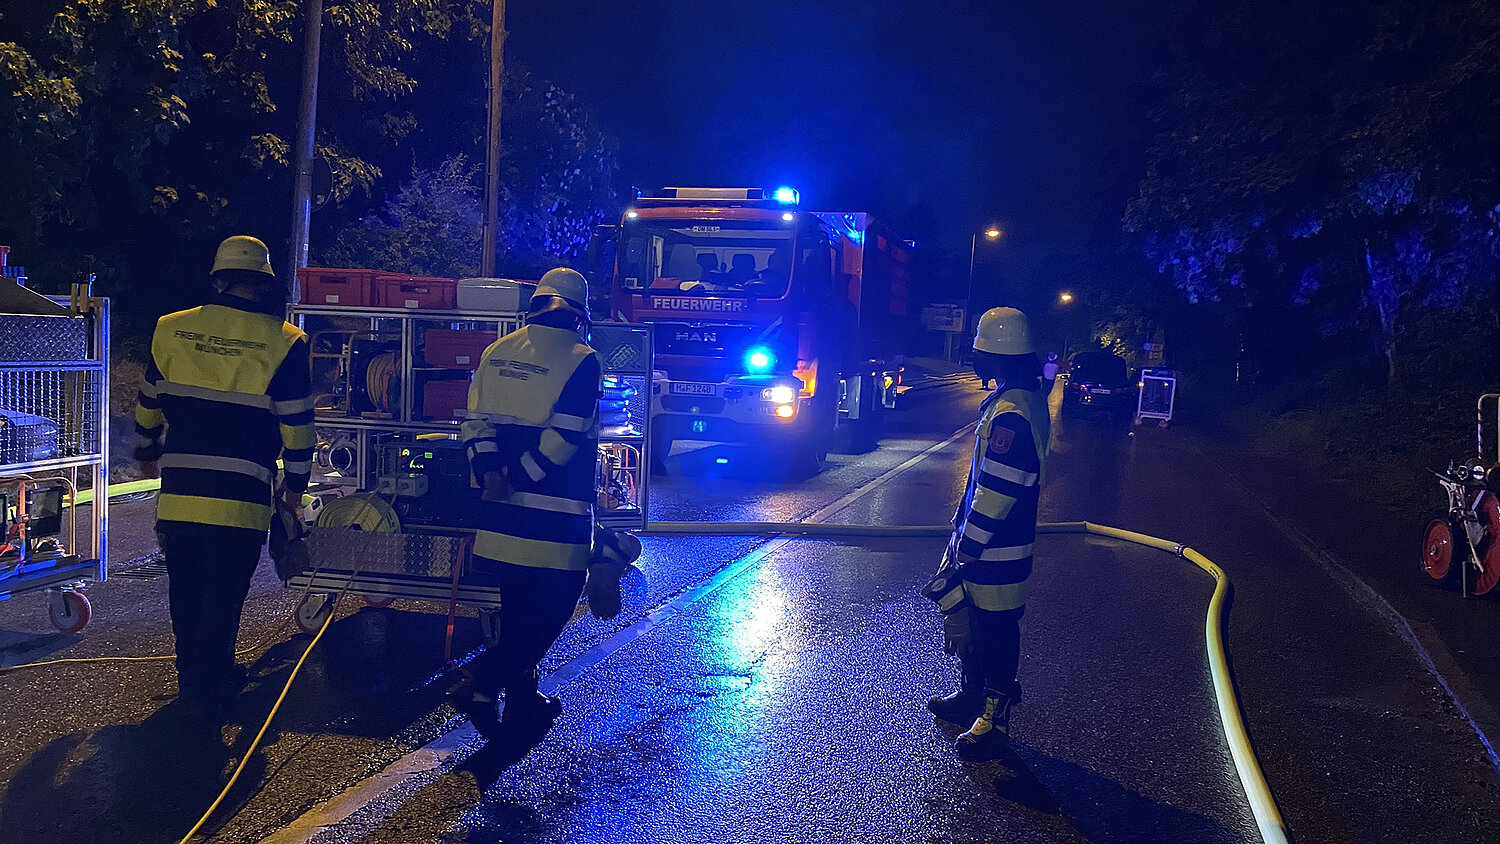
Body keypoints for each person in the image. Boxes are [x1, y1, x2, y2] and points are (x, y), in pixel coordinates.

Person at [133, 235, 314, 738]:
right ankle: (207, 695)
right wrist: (295, 486)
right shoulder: (286, 342)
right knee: (225, 594)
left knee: (186, 592)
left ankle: (194, 682)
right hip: (241, 502)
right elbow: (298, 426)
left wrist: (146, 452)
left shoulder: (170, 328)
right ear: (264, 284)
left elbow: (148, 402)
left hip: (181, 494)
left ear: (218, 280)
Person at [453, 267, 620, 755]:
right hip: (556, 521)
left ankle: (521, 703)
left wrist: (492, 475)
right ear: (580, 314)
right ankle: (481, 679)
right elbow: (565, 437)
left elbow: (474, 423)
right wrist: (521, 477)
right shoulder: (583, 359)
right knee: (550, 615)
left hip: (499, 518)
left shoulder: (496, 351)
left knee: (517, 613)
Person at [923, 306, 1050, 762]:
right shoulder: (1014, 399)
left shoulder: (1012, 414)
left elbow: (998, 490)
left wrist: (969, 546)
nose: (974, 358)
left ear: (997, 354)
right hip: (992, 548)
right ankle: (972, 697)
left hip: (996, 552)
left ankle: (994, 721)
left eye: (978, 350)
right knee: (978, 625)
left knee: (996, 632)